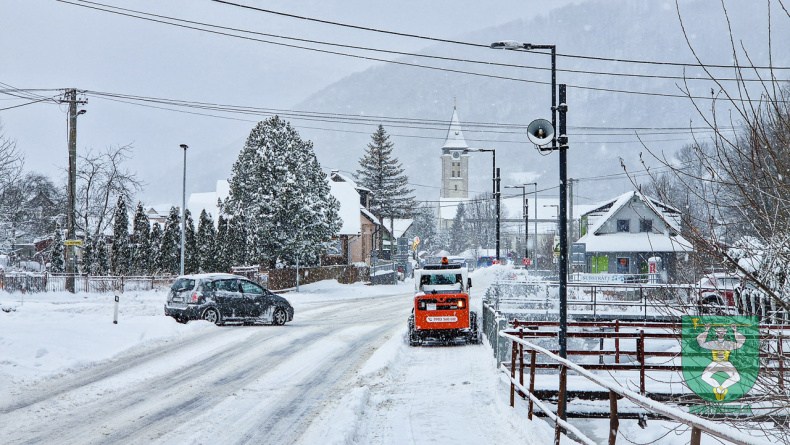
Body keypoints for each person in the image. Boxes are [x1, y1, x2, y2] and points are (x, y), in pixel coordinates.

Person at [696, 324, 746, 401]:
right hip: (715, 363)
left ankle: (721, 389)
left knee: (737, 377)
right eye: (719, 332)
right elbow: (701, 343)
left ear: (725, 333)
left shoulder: (729, 343)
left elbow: (739, 344)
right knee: (704, 377)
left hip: (726, 363)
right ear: (716, 333)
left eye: (722, 332)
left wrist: (735, 331)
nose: (721, 334)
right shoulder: (712, 343)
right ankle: (718, 388)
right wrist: (706, 331)